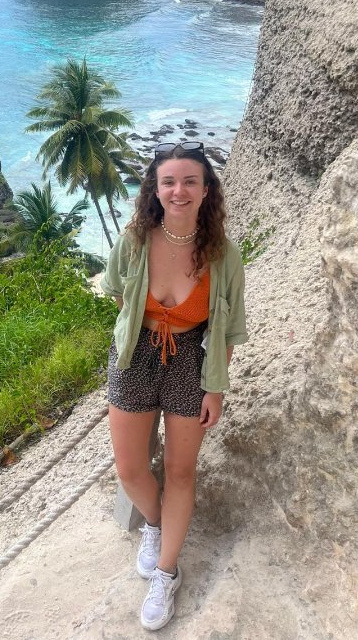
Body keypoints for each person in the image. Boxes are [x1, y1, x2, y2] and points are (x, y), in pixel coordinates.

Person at [100, 140, 247, 631]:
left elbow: (229, 329)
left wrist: (215, 389)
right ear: (156, 189)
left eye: (189, 181)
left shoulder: (224, 256)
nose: (178, 190)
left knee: (181, 472)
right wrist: (144, 329)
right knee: (129, 468)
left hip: (191, 363)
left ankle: (167, 572)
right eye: (169, 181)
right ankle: (155, 524)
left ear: (206, 190)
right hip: (134, 354)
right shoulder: (134, 241)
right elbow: (118, 294)